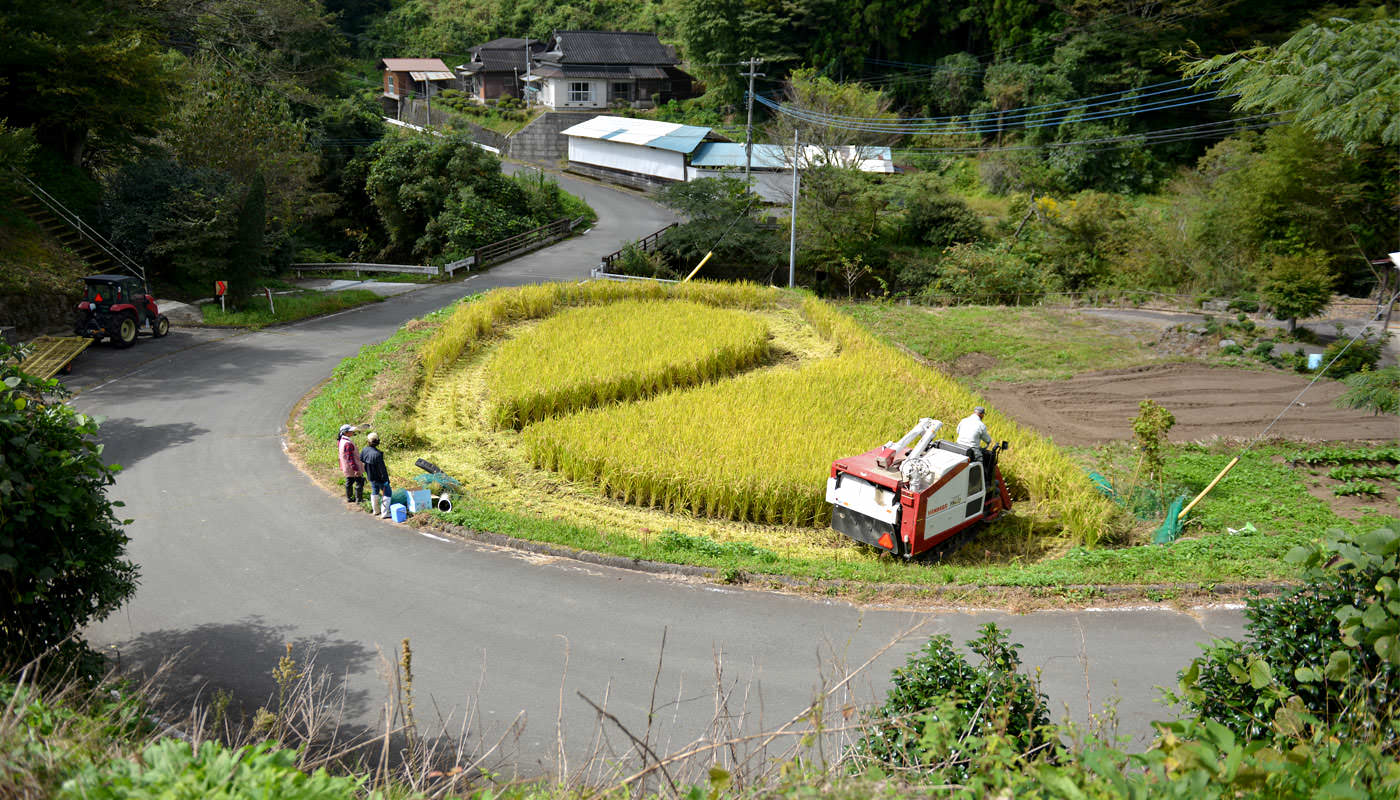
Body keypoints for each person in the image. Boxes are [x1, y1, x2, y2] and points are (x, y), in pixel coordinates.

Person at [359, 431, 392, 519]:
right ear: (377, 441)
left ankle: (376, 511)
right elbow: (382, 469)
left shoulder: (364, 450)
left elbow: (361, 460)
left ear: (368, 441)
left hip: (370, 476)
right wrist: (386, 480)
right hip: (380, 478)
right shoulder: (378, 454)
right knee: (387, 493)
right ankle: (384, 513)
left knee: (374, 492)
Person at [338, 424, 364, 504]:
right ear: (346, 433)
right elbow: (350, 458)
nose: (352, 432)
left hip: (346, 466)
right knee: (360, 481)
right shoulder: (348, 443)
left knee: (349, 481)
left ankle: (349, 497)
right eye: (351, 431)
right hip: (352, 466)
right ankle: (358, 499)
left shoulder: (341, 441)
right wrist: (355, 469)